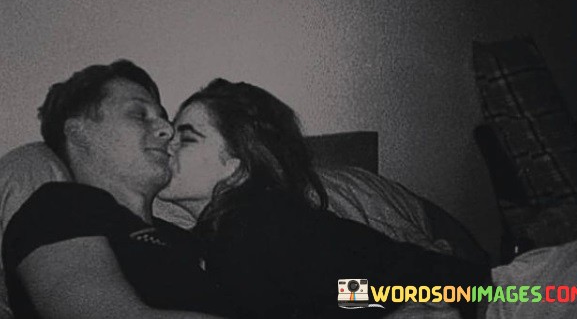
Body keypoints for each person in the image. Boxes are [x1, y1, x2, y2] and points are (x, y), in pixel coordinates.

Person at [159, 79, 490, 319]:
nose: (166, 144)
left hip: (491, 295)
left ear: (238, 166)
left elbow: (347, 291)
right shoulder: (229, 231)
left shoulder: (252, 228)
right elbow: (343, 291)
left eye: (186, 138)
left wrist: (403, 300)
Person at [1, 61, 233, 319]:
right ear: (78, 133)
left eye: (163, 117)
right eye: (139, 115)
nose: (167, 130)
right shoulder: (56, 207)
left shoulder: (182, 238)